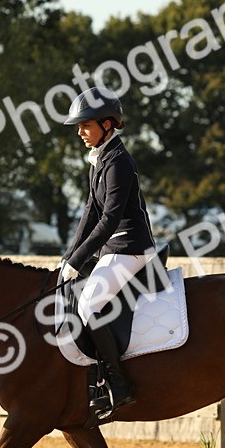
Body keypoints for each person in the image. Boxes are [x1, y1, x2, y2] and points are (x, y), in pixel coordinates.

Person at [57, 87, 157, 421]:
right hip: (112, 249)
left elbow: (110, 217)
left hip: (130, 247)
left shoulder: (119, 162)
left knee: (89, 304)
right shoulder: (100, 160)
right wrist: (69, 256)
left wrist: (79, 260)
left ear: (108, 123)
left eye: (85, 125)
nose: (80, 132)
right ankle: (96, 378)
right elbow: (89, 213)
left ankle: (118, 383)